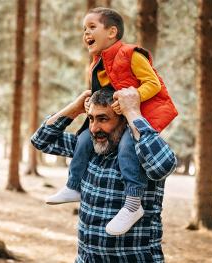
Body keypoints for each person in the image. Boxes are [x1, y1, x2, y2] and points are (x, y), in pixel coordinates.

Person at [46, 7, 178, 236]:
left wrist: (132, 99)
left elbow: (153, 84)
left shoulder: (131, 54)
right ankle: (73, 186)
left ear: (112, 32)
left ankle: (133, 205)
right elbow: (100, 95)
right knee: (84, 138)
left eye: (92, 27)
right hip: (114, 119)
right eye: (84, 29)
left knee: (128, 147)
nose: (86, 33)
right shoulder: (96, 65)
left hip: (139, 114)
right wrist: (89, 105)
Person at [31, 87, 177, 262]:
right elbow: (41, 140)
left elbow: (164, 165)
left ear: (124, 120)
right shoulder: (88, 149)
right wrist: (75, 108)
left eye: (103, 119)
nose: (93, 128)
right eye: (91, 118)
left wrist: (132, 112)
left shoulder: (143, 153)